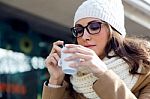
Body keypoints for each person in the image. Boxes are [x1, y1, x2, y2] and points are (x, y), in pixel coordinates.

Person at [42, 0, 150, 99]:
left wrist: (102, 73)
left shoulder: (146, 70)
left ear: (114, 30)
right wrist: (55, 80)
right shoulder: (72, 80)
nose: (84, 36)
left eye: (94, 27)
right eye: (79, 30)